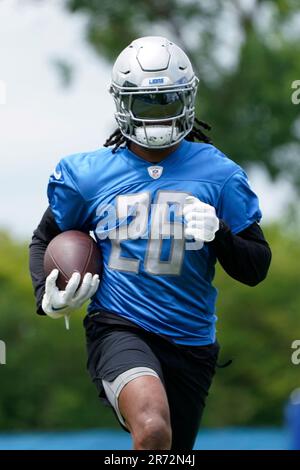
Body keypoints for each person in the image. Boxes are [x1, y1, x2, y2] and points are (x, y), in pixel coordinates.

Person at [29, 36, 272, 450]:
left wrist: (220, 234)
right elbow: (44, 238)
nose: (158, 116)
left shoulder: (219, 174)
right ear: (123, 103)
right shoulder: (88, 175)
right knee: (153, 428)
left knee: (169, 451)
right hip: (120, 327)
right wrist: (47, 296)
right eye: (146, 103)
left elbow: (256, 268)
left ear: (187, 99)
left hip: (191, 343)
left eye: (167, 102)